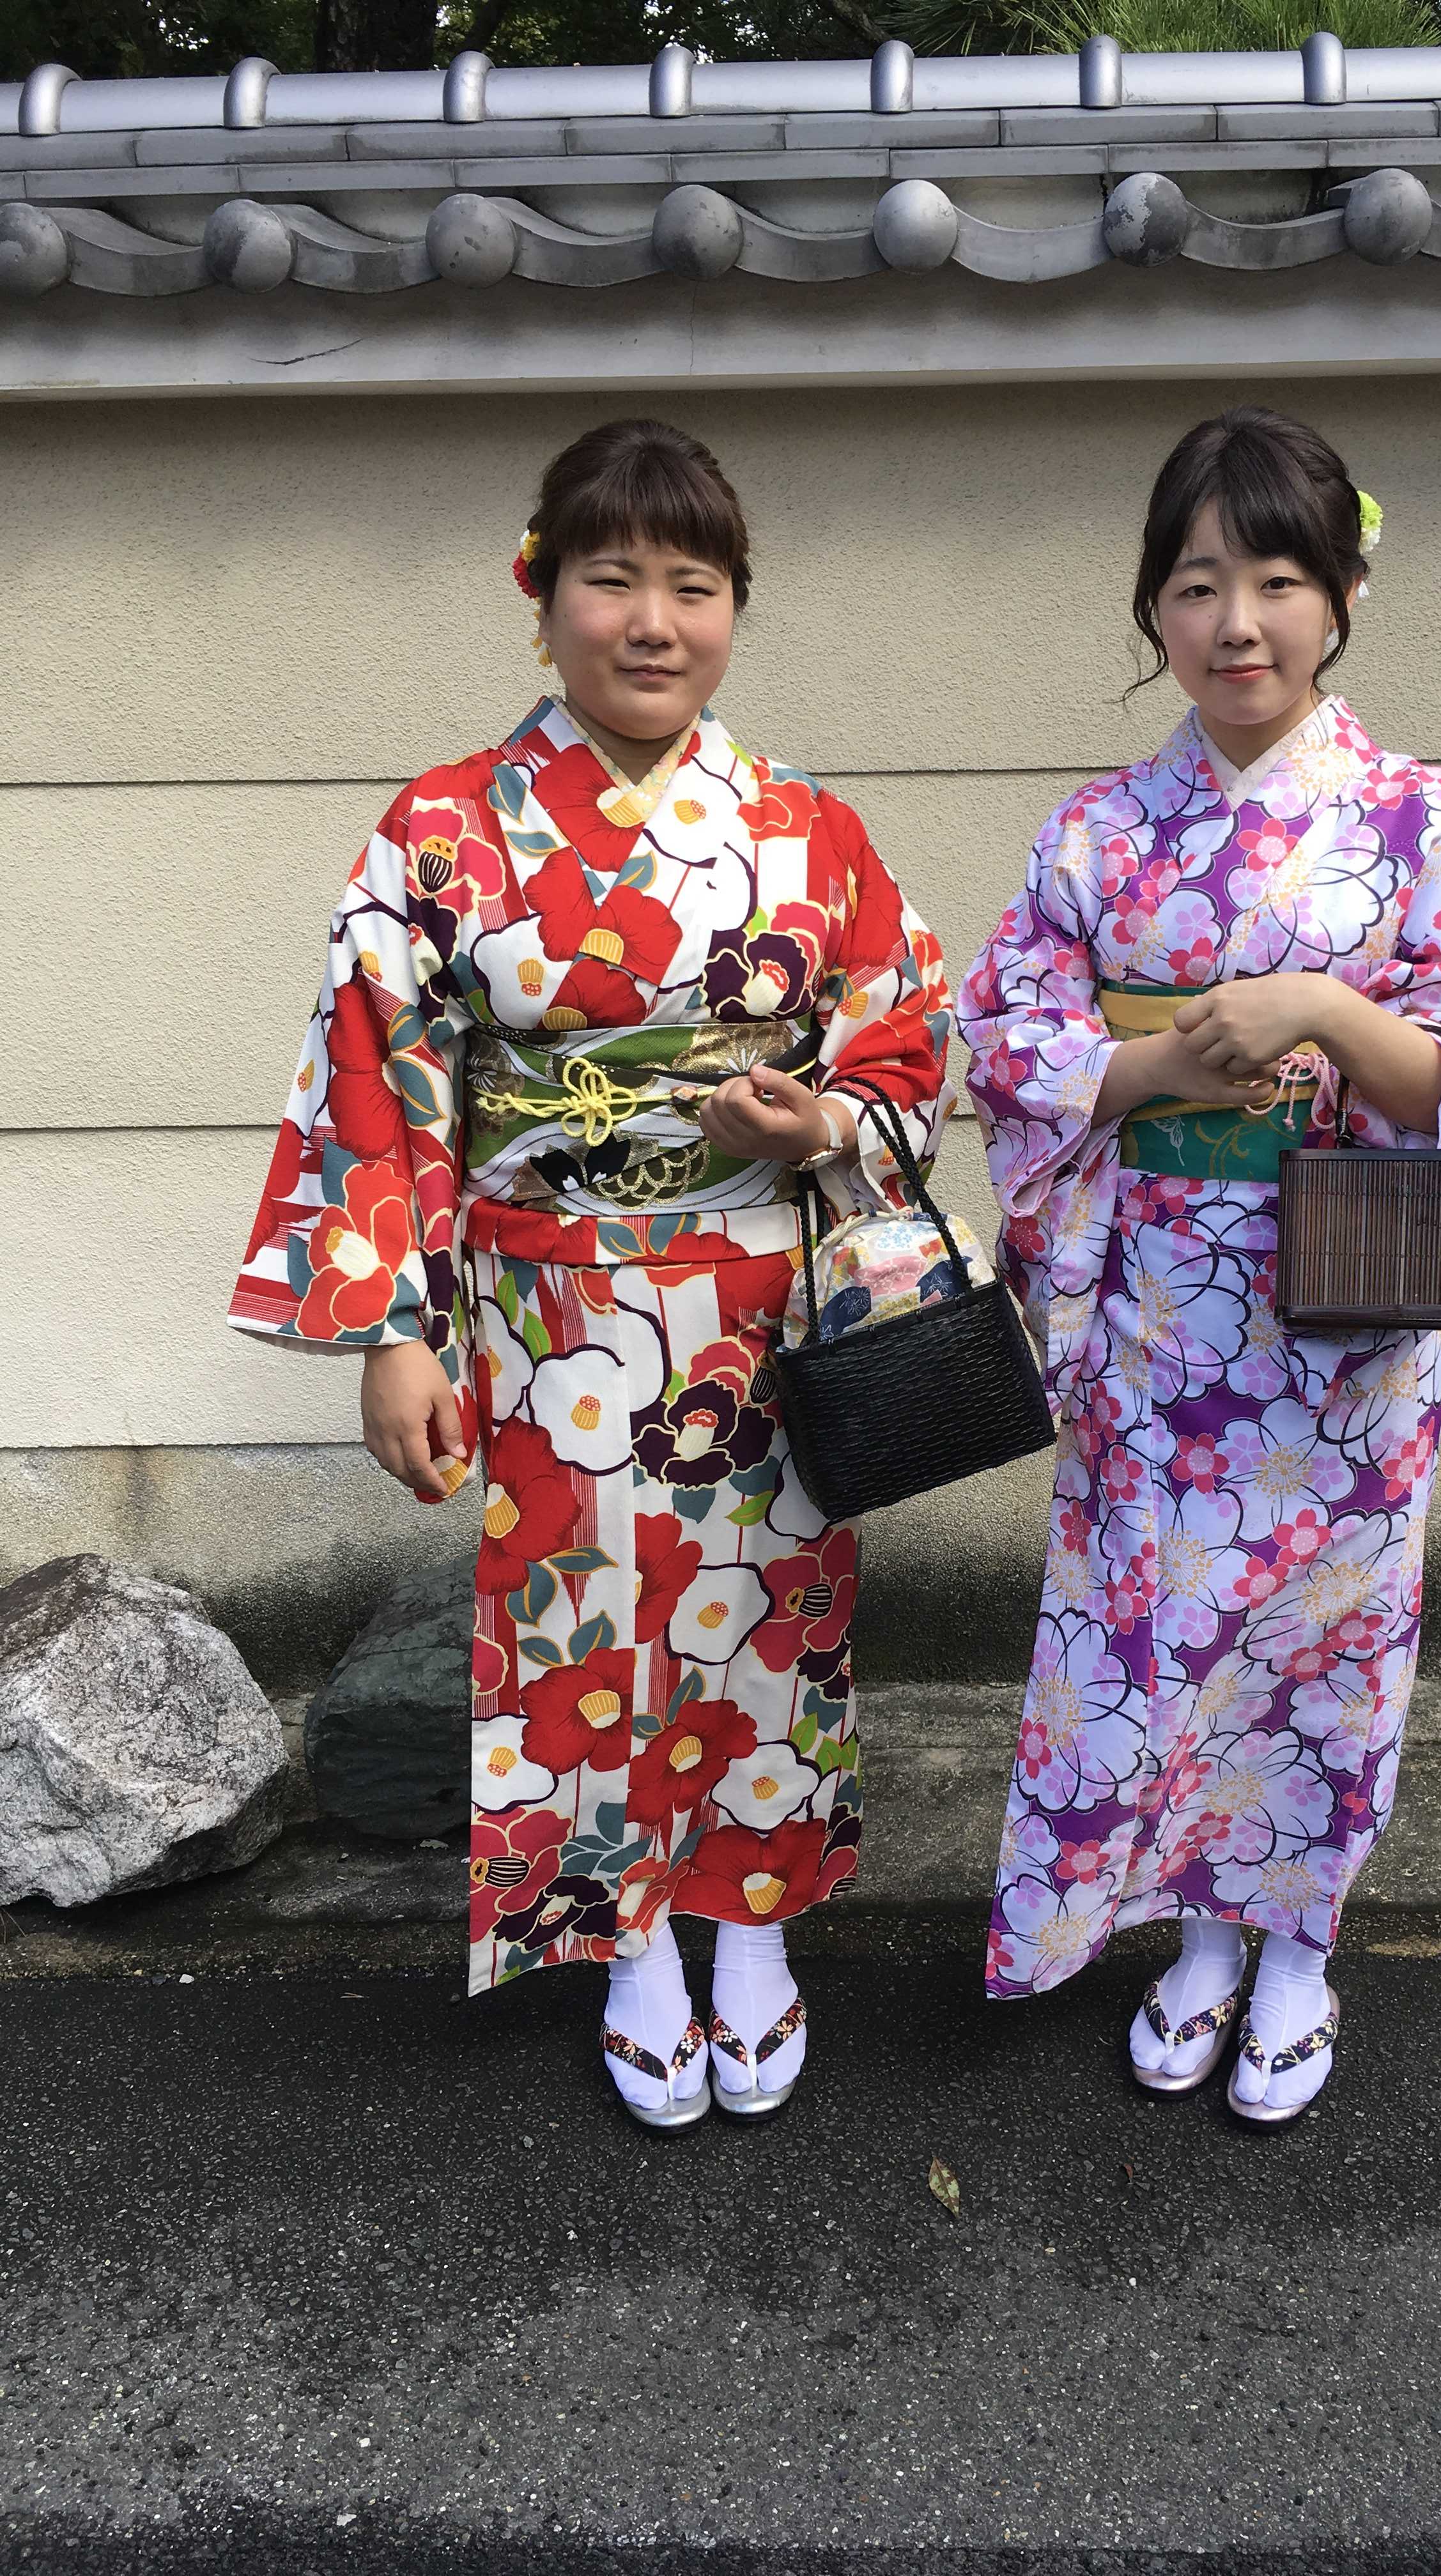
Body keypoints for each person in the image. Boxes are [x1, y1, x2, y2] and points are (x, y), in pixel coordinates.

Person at [231, 417, 952, 2128]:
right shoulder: (440, 832)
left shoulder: (809, 830)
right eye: (611, 579)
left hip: (758, 1297)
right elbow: (379, 1079)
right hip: (543, 1299)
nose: (651, 621)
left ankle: (752, 1923)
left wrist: (824, 1116)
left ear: (735, 607)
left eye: (692, 586)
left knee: (768, 1611)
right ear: (540, 592)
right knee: (577, 1629)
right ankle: (626, 1937)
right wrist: (393, 1330)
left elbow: (909, 1030)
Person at [960, 408, 1441, 2123]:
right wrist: (1160, 1065)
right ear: (1153, 610)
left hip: (1346, 1314)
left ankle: (1298, 1944)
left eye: (1279, 580)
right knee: (1157, 1632)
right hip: (1154, 1310)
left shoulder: (1424, 821)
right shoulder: (1097, 834)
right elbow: (1005, 1042)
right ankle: (1196, 1937)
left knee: (1327, 1637)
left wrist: (1321, 1010)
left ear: (1344, 596)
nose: (1238, 622)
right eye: (1196, 584)